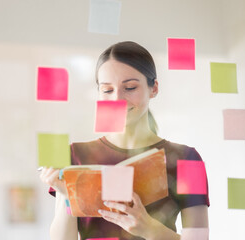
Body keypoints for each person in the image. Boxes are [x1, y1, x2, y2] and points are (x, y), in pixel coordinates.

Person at [40, 41, 209, 240]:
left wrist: (149, 229)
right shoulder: (75, 155)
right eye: (108, 90)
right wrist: (68, 196)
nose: (117, 100)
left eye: (129, 88)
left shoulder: (187, 158)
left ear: (153, 88)